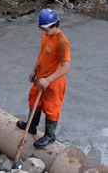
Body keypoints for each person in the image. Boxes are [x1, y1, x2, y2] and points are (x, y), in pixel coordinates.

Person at [16, 8, 71, 148]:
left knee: (52, 109)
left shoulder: (62, 42)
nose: (43, 32)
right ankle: (31, 126)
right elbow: (42, 55)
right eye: (42, 29)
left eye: (46, 29)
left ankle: (50, 136)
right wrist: (35, 70)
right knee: (34, 100)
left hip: (54, 82)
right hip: (41, 77)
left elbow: (66, 67)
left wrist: (48, 80)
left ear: (55, 25)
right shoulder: (45, 36)